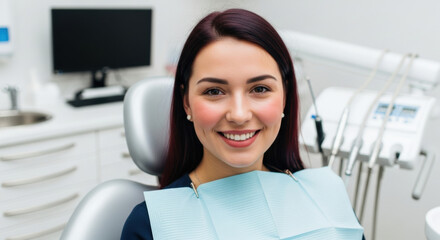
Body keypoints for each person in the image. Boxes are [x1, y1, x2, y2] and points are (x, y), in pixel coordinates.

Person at [121, 8, 363, 240]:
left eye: (260, 89)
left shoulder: (328, 199)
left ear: (285, 98)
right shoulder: (151, 226)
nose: (238, 115)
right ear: (187, 103)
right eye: (214, 91)